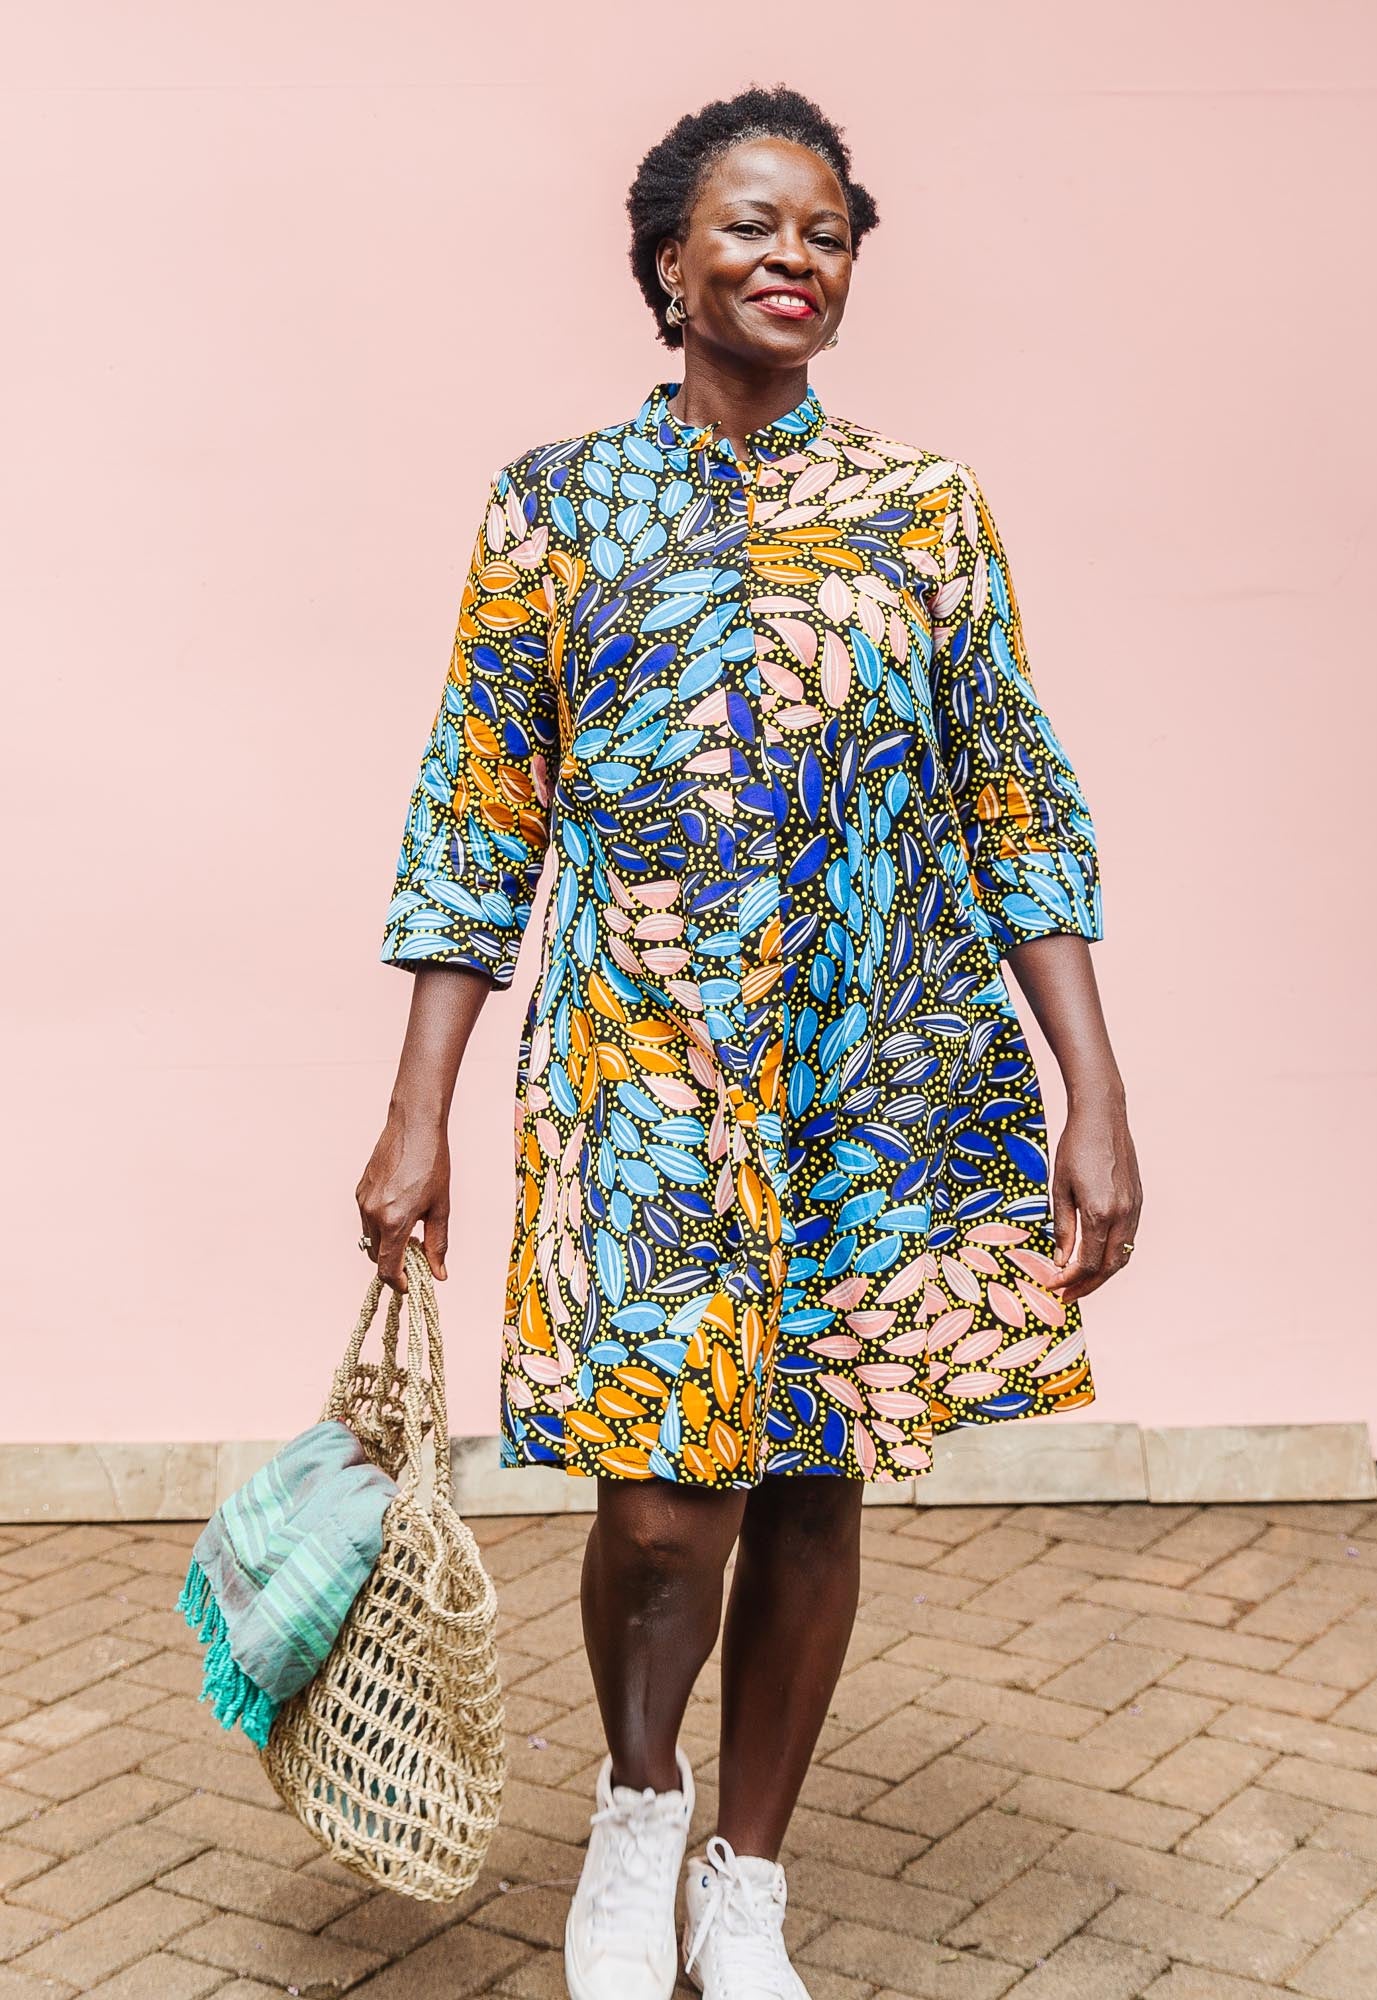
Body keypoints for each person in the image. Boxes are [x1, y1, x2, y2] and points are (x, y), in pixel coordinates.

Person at [357, 81, 1141, 2000]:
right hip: (638, 1068)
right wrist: (415, 1115)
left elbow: (1013, 801)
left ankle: (748, 1870)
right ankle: (636, 1815)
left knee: (812, 1467)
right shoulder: (554, 508)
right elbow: (479, 813)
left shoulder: (921, 513)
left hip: (881, 1067)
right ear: (664, 264)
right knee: (657, 1483)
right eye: (752, 228)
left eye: (827, 232)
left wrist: (1091, 1088)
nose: (796, 258)